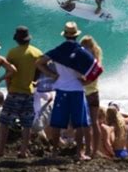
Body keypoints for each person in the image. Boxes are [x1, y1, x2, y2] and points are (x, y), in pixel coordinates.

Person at [36, 21, 94, 160]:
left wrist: (51, 74)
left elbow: (38, 62)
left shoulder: (58, 50)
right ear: (76, 35)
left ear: (65, 35)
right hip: (77, 90)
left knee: (57, 123)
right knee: (79, 124)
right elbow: (97, 69)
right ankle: (79, 153)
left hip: (61, 90)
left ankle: (55, 153)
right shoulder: (82, 52)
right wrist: (86, 81)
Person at [0, 26, 42, 158]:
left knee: (4, 121)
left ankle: (1, 149)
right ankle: (23, 151)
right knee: (26, 123)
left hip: (14, 90)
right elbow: (40, 70)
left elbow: (8, 73)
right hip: (29, 92)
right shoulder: (37, 53)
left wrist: (8, 87)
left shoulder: (12, 53)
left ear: (17, 39)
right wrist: (34, 81)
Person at [80, 35, 103, 158]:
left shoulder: (86, 61)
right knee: (95, 123)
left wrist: (83, 82)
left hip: (85, 93)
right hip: (94, 93)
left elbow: (84, 79)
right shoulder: (96, 61)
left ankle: (88, 150)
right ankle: (94, 151)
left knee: (86, 123)